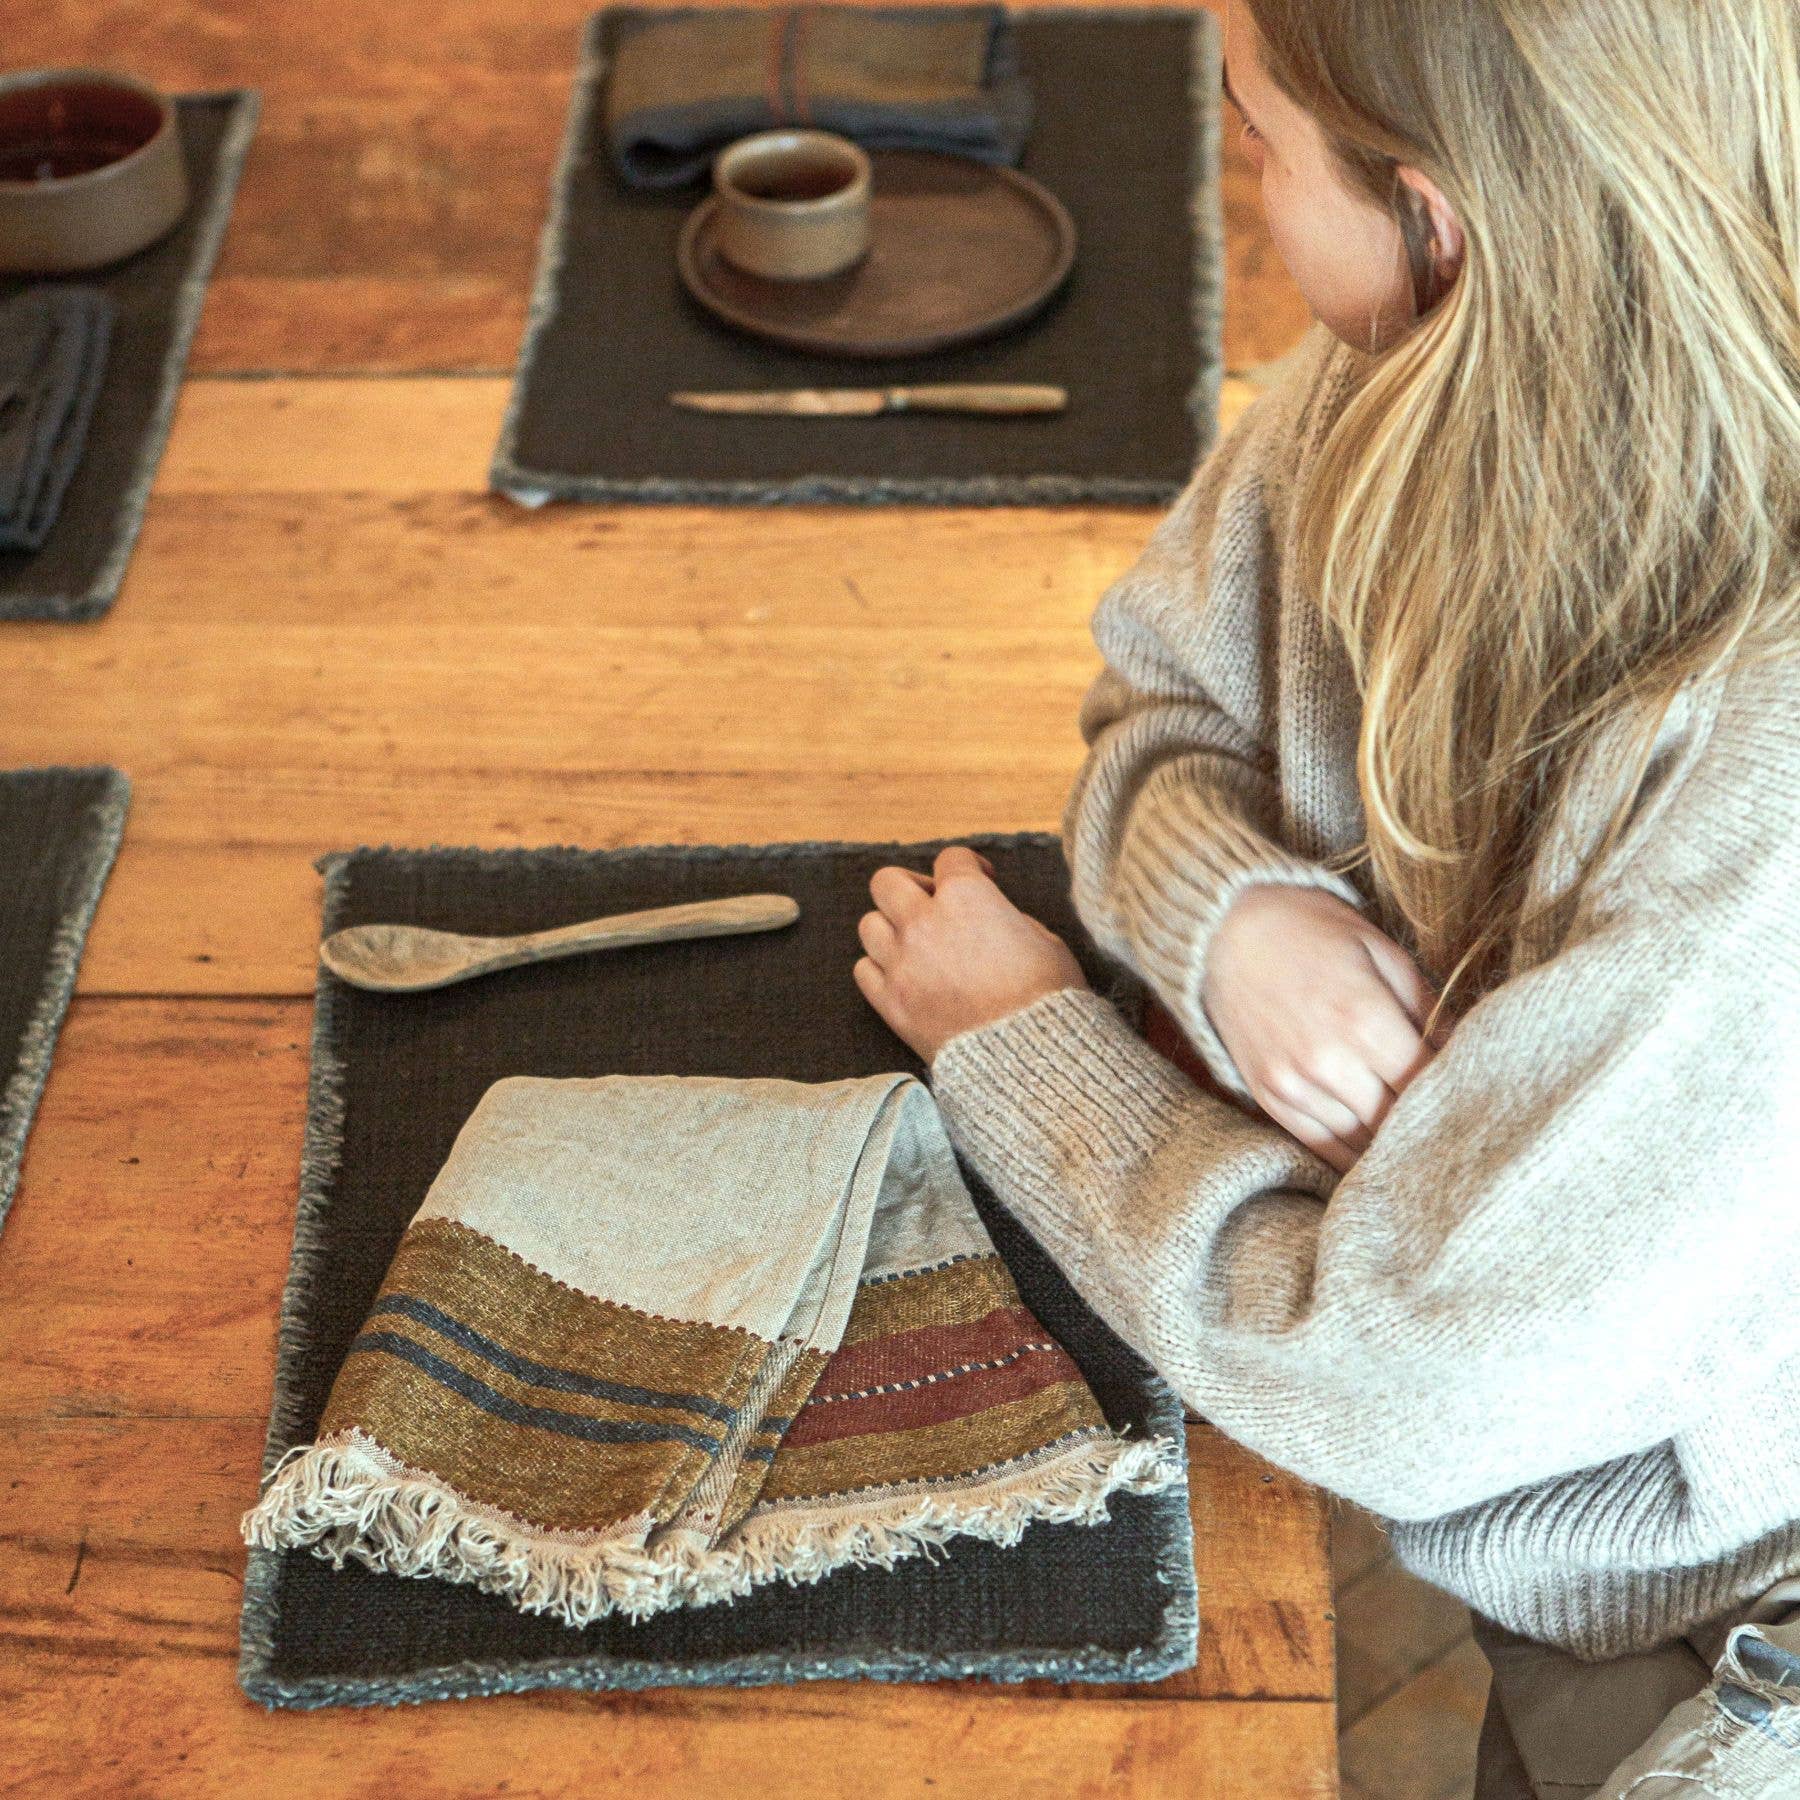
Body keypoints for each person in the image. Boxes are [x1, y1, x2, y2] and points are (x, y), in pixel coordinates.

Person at [849, 3, 1800, 1795]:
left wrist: (1029, 1048)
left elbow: (1405, 1387)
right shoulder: (1408, 359)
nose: (1249, 197)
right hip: (1549, 1494)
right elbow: (1160, 708)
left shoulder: (1768, 779)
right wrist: (1233, 919)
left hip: (1725, 1637)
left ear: (1433, 211)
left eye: (1257, 145)